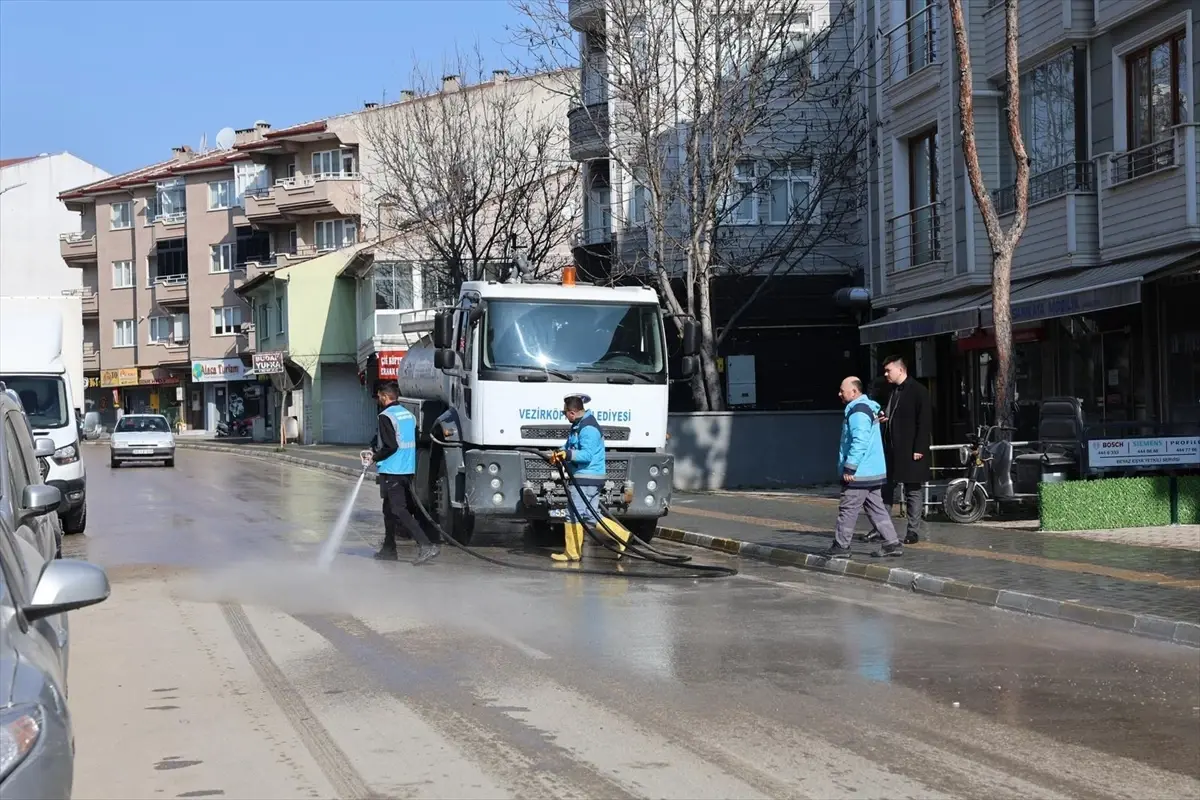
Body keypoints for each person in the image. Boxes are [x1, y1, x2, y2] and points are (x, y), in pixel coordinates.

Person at [822, 377, 903, 560]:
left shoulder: (858, 412)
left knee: (848, 508)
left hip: (860, 473)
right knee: (877, 508)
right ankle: (892, 543)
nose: (839, 394)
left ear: (854, 392)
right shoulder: (868, 408)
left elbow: (859, 442)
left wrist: (850, 468)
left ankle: (841, 545)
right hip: (873, 471)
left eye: (843, 390)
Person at [360, 382, 439, 565]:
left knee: (398, 510)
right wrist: (375, 445)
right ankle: (389, 549)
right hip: (407, 469)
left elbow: (391, 446)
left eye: (379, 396)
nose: (378, 399)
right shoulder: (408, 415)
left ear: (385, 397)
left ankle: (426, 545)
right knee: (388, 510)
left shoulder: (385, 416)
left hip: (392, 469)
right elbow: (408, 439)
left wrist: (374, 457)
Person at [548, 393, 632, 563]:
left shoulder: (588, 428)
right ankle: (623, 536)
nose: (565, 417)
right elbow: (569, 446)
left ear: (572, 412)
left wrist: (568, 454)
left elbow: (586, 455)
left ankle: (572, 553)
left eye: (565, 413)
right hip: (587, 477)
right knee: (590, 516)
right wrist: (559, 452)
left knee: (573, 514)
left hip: (587, 477)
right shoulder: (579, 426)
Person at [876, 354, 932, 544]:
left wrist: (919, 448)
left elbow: (924, 422)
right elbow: (893, 412)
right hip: (892, 449)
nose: (885, 374)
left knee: (912, 489)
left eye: (888, 370)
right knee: (886, 488)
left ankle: (913, 530)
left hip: (910, 449)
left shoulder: (918, 391)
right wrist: (884, 416)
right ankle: (881, 527)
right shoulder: (892, 391)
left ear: (901, 370)